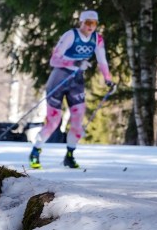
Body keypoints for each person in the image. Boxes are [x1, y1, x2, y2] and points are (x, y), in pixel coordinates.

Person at [28, 9, 115, 169]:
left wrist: (108, 79)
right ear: (81, 22)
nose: (90, 27)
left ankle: (70, 155)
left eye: (94, 23)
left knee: (77, 119)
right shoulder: (71, 35)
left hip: (77, 81)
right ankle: (35, 151)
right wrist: (74, 63)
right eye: (87, 23)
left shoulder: (97, 39)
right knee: (54, 121)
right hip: (59, 78)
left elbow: (102, 60)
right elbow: (54, 60)